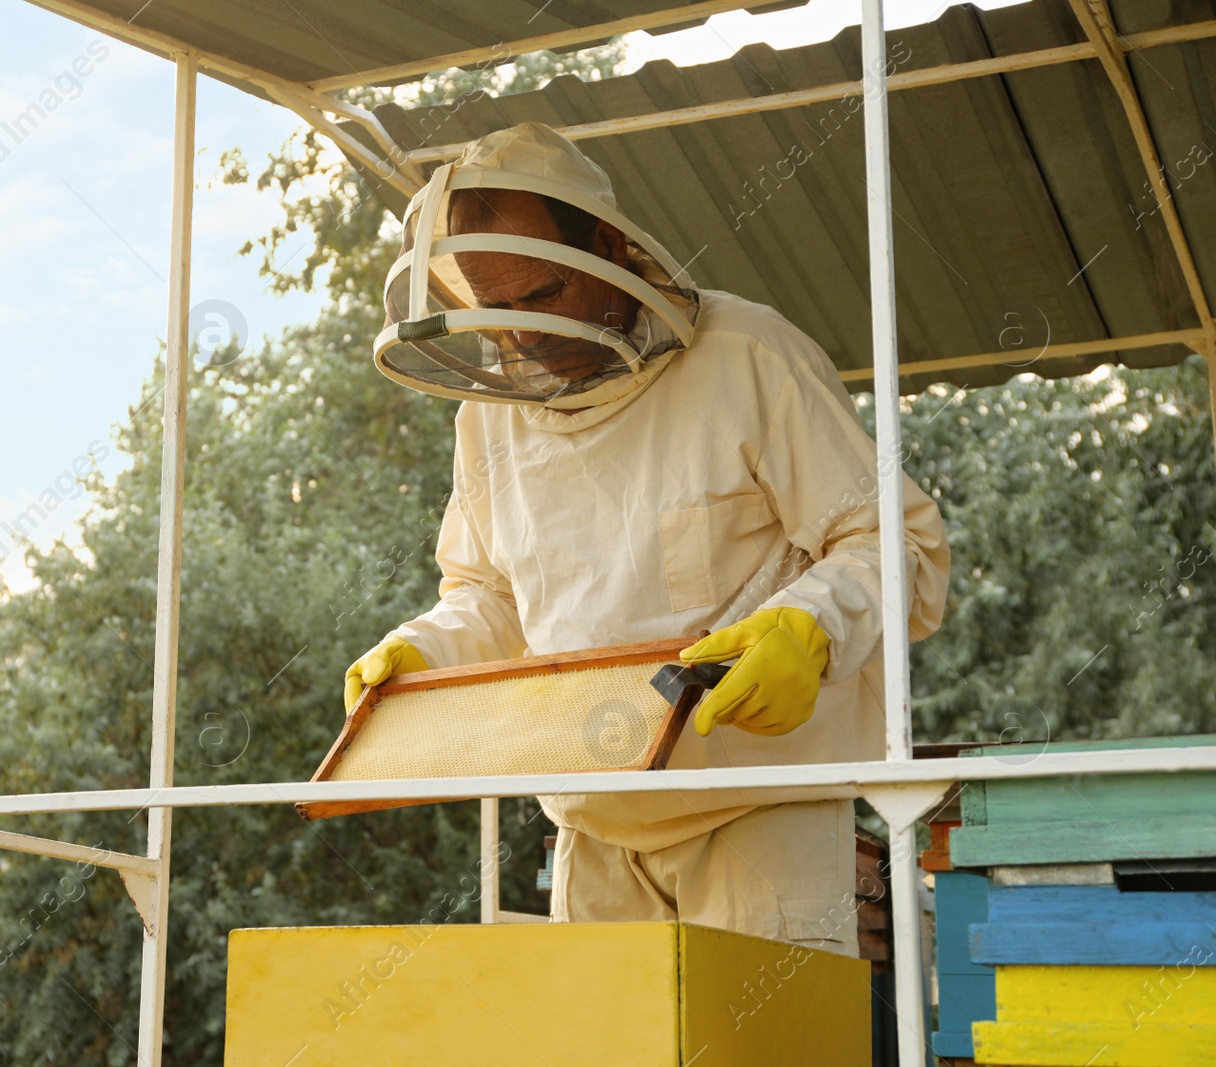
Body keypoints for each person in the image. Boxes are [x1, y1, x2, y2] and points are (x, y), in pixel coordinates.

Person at [344, 122, 948, 956]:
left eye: (543, 294)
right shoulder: (487, 419)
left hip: (758, 821)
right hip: (591, 837)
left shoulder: (749, 355)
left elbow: (897, 542)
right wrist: (421, 656)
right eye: (496, 308)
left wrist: (812, 628)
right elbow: (490, 598)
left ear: (610, 247)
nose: (519, 334)